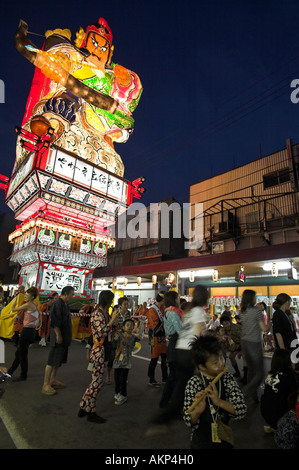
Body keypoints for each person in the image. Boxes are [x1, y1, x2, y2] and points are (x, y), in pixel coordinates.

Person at [183, 333, 247, 449]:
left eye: (222, 358)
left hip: (224, 437)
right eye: (215, 363)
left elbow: (241, 410)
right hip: (200, 441)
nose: (222, 364)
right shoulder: (194, 383)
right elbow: (189, 421)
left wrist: (219, 402)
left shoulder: (227, 379)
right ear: (202, 367)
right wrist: (197, 412)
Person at [78, 290, 119, 423]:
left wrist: (114, 324)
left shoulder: (104, 313)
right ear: (107, 300)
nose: (112, 302)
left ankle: (84, 407)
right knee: (96, 382)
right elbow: (101, 332)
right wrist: (112, 321)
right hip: (98, 350)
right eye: (111, 300)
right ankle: (91, 410)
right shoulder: (97, 314)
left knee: (96, 381)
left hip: (102, 350)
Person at [239, 289, 271, 404]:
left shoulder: (242, 311)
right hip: (254, 342)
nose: (256, 298)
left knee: (251, 371)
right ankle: (245, 392)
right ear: (251, 298)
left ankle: (254, 396)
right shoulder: (256, 311)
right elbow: (264, 329)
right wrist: (270, 323)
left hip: (244, 342)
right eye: (255, 296)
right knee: (260, 372)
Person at [41, 286, 74, 395]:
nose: (72, 297)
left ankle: (53, 380)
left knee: (58, 361)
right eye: (71, 294)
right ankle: (45, 384)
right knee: (52, 360)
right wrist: (58, 335)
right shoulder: (57, 304)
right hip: (58, 337)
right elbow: (55, 321)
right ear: (65, 294)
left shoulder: (65, 305)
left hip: (64, 337)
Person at [260, 349, 298, 432]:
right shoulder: (288, 376)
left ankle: (274, 426)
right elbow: (295, 393)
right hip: (280, 416)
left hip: (267, 414)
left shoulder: (270, 374)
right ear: (287, 363)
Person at [8, 287, 40, 381]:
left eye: (27, 295)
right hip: (31, 332)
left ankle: (23, 375)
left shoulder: (28, 305)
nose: (25, 296)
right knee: (19, 353)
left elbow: (14, 309)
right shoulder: (34, 304)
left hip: (27, 331)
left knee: (22, 354)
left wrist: (15, 299)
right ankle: (10, 371)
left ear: (32, 297)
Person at [159, 290, 184, 408]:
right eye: (178, 298)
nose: (179, 300)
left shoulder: (170, 312)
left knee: (174, 376)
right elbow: (180, 330)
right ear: (174, 300)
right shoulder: (173, 313)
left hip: (174, 344)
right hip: (175, 345)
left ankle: (165, 402)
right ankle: (169, 403)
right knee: (175, 377)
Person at [113, 318, 144, 405]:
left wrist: (142, 323)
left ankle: (123, 395)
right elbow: (114, 342)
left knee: (123, 379)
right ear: (124, 327)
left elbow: (128, 343)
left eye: (131, 325)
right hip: (117, 361)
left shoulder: (133, 337)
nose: (130, 327)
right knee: (117, 379)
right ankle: (117, 392)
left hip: (126, 362)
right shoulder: (119, 335)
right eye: (127, 325)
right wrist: (115, 331)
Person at [146, 292, 167, 387]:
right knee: (154, 358)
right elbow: (155, 327)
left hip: (162, 336)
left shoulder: (162, 308)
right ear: (162, 300)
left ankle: (165, 378)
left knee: (164, 359)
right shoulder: (152, 310)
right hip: (155, 336)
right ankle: (151, 379)